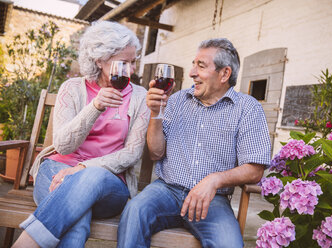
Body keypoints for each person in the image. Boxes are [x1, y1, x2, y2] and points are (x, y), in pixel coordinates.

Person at [117, 38, 271, 247]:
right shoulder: (178, 100)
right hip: (166, 190)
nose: (191, 73)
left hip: (212, 200)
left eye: (201, 66)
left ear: (224, 74)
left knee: (229, 244)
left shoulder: (248, 109)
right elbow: (155, 154)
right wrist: (156, 113)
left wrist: (213, 180)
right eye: (193, 64)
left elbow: (255, 169)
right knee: (134, 211)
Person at [12, 21, 150, 248]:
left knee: (91, 177)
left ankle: (27, 242)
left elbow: (132, 152)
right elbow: (63, 146)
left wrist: (84, 168)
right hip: (56, 170)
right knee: (77, 219)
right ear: (100, 60)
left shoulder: (138, 96)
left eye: (133, 62)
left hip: (108, 182)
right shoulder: (72, 88)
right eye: (124, 63)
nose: (132, 70)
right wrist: (94, 107)